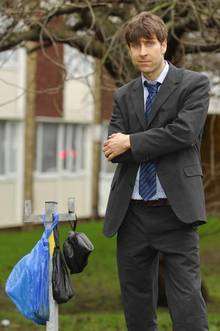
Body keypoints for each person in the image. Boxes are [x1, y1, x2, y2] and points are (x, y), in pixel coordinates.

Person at [102, 11, 210, 331]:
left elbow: (184, 133)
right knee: (135, 302)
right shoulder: (123, 95)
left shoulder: (193, 85)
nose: (142, 52)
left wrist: (132, 142)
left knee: (187, 300)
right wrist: (131, 145)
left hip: (175, 210)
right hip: (131, 213)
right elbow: (113, 150)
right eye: (135, 46)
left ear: (163, 44)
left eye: (149, 44)